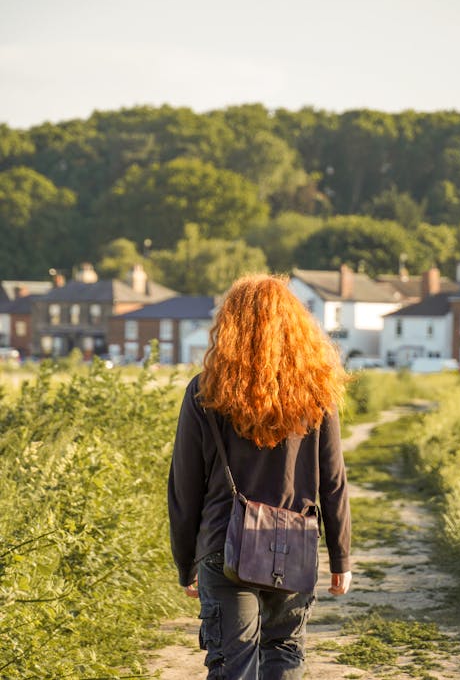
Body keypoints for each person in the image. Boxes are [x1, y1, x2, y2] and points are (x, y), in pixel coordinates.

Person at [168, 274, 352, 679]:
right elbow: (333, 480)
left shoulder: (205, 392)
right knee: (284, 653)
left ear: (229, 327)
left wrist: (186, 562)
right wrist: (340, 556)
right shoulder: (317, 392)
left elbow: (184, 488)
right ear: (295, 326)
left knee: (232, 665)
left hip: (223, 545)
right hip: (294, 545)